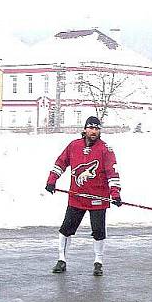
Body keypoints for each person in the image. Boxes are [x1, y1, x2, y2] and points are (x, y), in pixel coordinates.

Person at [45, 116, 122, 276]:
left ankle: (98, 262)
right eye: (91, 128)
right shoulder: (74, 146)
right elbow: (60, 163)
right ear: (85, 129)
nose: (94, 131)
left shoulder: (105, 149)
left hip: (98, 198)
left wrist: (115, 194)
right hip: (77, 196)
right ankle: (62, 260)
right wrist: (52, 180)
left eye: (97, 129)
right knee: (66, 229)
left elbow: (112, 173)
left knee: (99, 231)